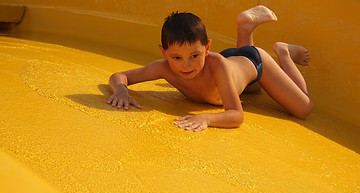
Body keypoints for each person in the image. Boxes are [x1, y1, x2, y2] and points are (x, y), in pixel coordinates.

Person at [107, 5, 313, 132]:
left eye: (194, 56)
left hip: (255, 62)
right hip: (238, 70)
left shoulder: (217, 65)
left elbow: (236, 115)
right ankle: (246, 27)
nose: (186, 65)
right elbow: (120, 76)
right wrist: (121, 90)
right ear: (164, 52)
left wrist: (206, 118)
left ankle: (284, 52)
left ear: (207, 49)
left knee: (303, 108)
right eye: (177, 57)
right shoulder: (164, 68)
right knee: (252, 89)